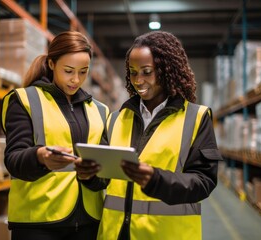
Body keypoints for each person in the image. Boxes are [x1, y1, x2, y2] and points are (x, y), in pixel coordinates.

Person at [75, 30, 223, 240]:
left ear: (166, 71)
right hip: (116, 233)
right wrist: (89, 176)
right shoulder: (117, 119)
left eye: (146, 71)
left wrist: (156, 180)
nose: (138, 80)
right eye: (133, 72)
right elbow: (105, 179)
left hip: (166, 234)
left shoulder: (196, 118)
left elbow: (203, 181)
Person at [1, 31, 109, 240]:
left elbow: (103, 171)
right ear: (51, 64)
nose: (75, 80)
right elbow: (13, 159)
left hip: (89, 222)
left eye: (83, 72)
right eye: (68, 71)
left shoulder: (100, 110)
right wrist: (41, 157)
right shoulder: (24, 100)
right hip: (38, 224)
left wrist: (93, 176)